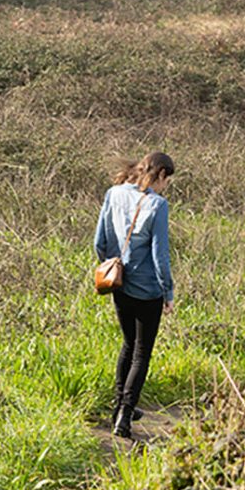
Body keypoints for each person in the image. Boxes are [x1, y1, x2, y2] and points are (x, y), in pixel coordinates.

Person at [93, 152, 175, 439]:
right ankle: (126, 415)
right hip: (148, 289)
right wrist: (168, 292)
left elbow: (99, 241)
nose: (165, 187)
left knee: (128, 345)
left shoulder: (113, 194)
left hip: (120, 285)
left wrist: (114, 265)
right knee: (142, 352)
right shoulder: (157, 205)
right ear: (161, 174)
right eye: (167, 181)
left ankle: (118, 408)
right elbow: (160, 256)